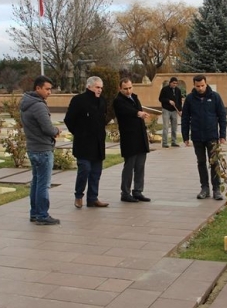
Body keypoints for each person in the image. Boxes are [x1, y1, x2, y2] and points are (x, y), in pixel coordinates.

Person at [20, 75, 62, 225]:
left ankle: (35, 213)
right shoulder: (38, 105)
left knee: (37, 182)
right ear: (38, 88)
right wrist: (56, 130)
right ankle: (42, 215)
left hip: (33, 148)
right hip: (42, 149)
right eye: (47, 89)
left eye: (51, 89)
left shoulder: (27, 102)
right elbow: (47, 127)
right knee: (43, 184)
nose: (49, 92)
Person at [64, 76, 109, 209]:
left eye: (101, 87)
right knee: (85, 170)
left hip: (98, 143)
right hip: (83, 143)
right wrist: (79, 133)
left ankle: (93, 198)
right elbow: (69, 119)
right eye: (97, 87)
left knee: (96, 172)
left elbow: (103, 118)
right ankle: (79, 196)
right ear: (89, 86)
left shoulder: (102, 101)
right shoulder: (78, 100)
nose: (99, 90)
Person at [181, 74, 227, 201]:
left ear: (206, 84)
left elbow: (222, 116)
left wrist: (222, 135)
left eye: (202, 85)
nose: (200, 88)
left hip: (212, 135)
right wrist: (185, 136)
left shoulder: (215, 97)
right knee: (201, 162)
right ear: (194, 85)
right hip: (197, 136)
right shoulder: (190, 99)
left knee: (214, 162)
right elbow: (185, 118)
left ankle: (216, 189)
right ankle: (204, 188)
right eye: (197, 86)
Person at [113, 78, 151, 203]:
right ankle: (125, 192)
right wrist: (138, 113)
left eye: (130, 88)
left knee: (140, 166)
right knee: (129, 167)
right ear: (120, 89)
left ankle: (138, 191)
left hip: (140, 137)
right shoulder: (118, 101)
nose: (128, 91)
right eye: (125, 89)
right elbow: (126, 111)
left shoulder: (135, 97)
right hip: (129, 139)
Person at [158, 76, 182, 148]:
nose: (175, 85)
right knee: (166, 126)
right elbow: (160, 98)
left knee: (174, 126)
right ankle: (165, 143)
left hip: (174, 110)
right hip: (166, 109)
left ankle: (174, 142)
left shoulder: (178, 90)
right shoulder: (164, 89)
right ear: (170, 83)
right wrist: (168, 101)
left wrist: (180, 110)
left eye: (176, 83)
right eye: (173, 83)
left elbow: (179, 101)